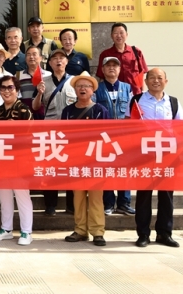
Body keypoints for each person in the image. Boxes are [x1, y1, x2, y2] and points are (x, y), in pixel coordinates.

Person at [132, 68, 183, 249]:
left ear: (166, 81)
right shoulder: (137, 100)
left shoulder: (173, 102)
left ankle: (164, 233)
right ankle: (143, 234)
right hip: (144, 154)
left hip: (167, 155)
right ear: (146, 81)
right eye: (152, 78)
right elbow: (128, 126)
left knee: (166, 196)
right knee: (143, 196)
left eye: (159, 78)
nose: (156, 81)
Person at [61, 72, 109, 247]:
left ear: (92, 90)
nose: (82, 89)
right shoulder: (67, 111)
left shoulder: (101, 111)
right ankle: (80, 230)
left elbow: (107, 136)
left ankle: (98, 232)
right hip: (76, 161)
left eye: (86, 86)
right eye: (79, 86)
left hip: (95, 161)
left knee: (96, 198)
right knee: (78, 198)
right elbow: (63, 136)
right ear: (74, 89)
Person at [0, 75, 33, 246]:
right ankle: (6, 229)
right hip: (2, 159)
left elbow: (29, 137)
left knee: (22, 195)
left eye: (10, 87)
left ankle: (26, 231)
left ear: (17, 90)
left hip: (20, 160)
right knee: (4, 196)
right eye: (3, 88)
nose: (7, 91)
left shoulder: (24, 110)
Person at [33, 49, 76, 216]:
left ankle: (71, 205)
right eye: (55, 59)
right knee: (50, 169)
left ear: (66, 62)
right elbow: (35, 107)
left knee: (71, 169)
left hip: (71, 132)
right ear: (49, 63)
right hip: (50, 132)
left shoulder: (75, 81)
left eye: (62, 58)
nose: (58, 61)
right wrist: (39, 93)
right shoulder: (43, 82)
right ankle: (50, 205)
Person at [95, 57, 135, 216]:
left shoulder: (127, 88)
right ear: (103, 69)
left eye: (115, 65)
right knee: (107, 169)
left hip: (123, 136)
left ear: (119, 69)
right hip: (104, 136)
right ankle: (109, 203)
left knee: (124, 169)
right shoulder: (97, 88)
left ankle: (124, 203)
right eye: (108, 66)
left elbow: (133, 111)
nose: (111, 68)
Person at [96, 22, 148, 95]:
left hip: (135, 93)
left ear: (126, 35)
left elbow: (141, 74)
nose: (119, 35)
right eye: (116, 33)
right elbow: (101, 76)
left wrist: (142, 93)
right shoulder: (105, 54)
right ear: (111, 36)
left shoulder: (136, 52)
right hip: (114, 94)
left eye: (121, 33)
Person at [16, 46, 48, 119]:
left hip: (44, 117)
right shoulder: (18, 75)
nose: (31, 57)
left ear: (41, 58)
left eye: (34, 54)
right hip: (24, 116)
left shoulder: (48, 75)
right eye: (28, 54)